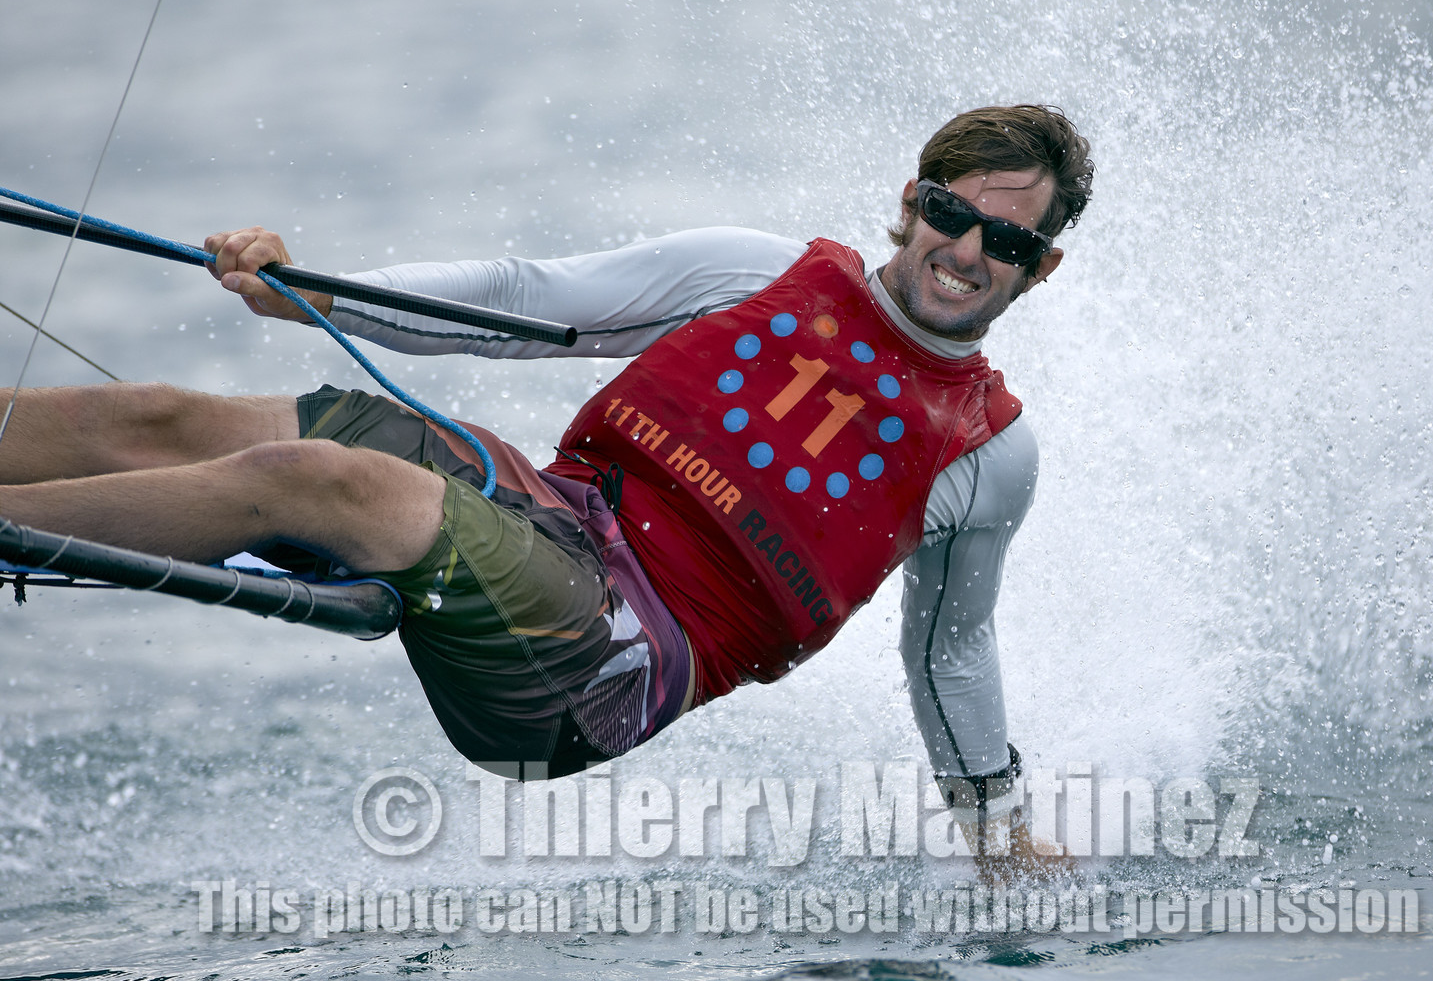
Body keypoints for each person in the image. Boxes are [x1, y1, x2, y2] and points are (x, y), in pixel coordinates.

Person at [0, 105, 1092, 874]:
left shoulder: (985, 455)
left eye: (1006, 239)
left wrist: (997, 836)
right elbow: (523, 299)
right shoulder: (759, 270)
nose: (965, 250)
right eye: (952, 212)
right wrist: (308, 296)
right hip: (556, 516)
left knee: (319, 481)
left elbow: (949, 650)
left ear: (1037, 266)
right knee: (164, 418)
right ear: (912, 199)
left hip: (611, 662)